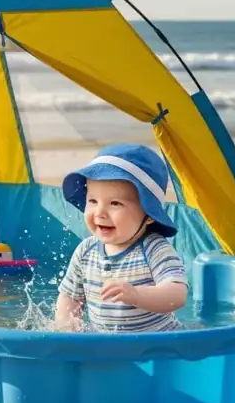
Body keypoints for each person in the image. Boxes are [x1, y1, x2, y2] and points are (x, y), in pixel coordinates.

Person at [53, 143, 188, 333]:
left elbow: (177, 294)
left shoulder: (155, 249)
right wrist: (67, 328)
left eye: (115, 203)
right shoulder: (85, 251)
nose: (99, 212)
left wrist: (137, 295)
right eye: (92, 201)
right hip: (109, 348)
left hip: (158, 348)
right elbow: (70, 297)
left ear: (149, 214)